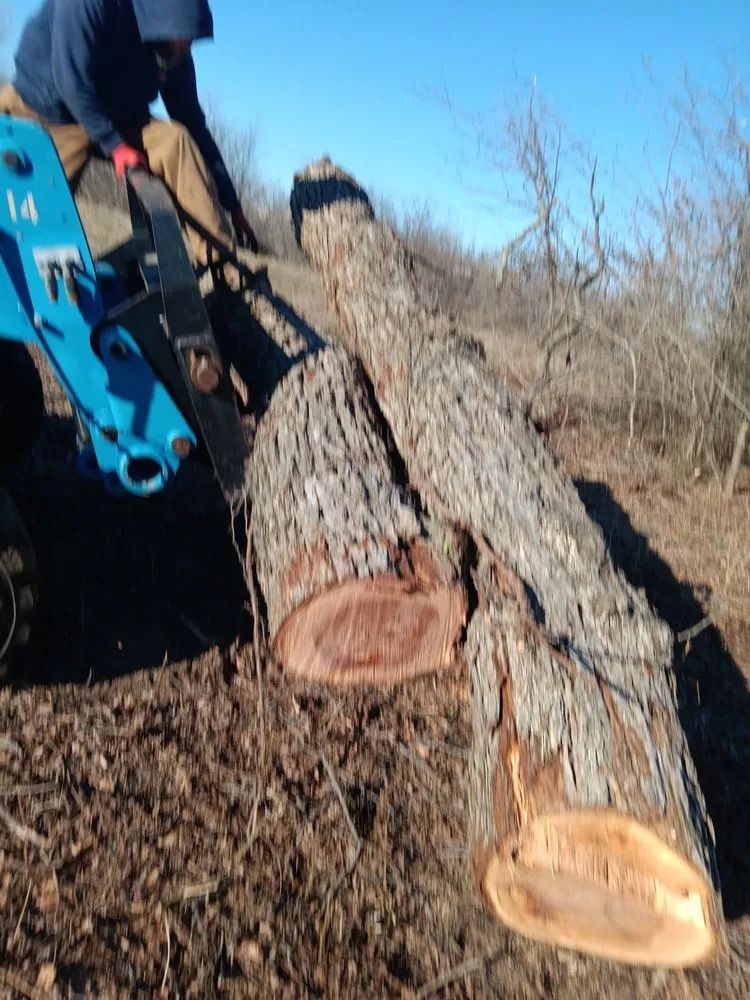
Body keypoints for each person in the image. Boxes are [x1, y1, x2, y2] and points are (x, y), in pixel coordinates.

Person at [0, 0, 259, 279]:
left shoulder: (174, 52)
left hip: (118, 117)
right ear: (160, 19)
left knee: (176, 141)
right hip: (46, 111)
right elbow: (71, 78)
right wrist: (115, 145)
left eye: (191, 40)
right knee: (34, 223)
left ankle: (222, 264)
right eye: (183, 39)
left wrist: (233, 207)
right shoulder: (90, 4)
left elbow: (194, 125)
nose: (187, 48)